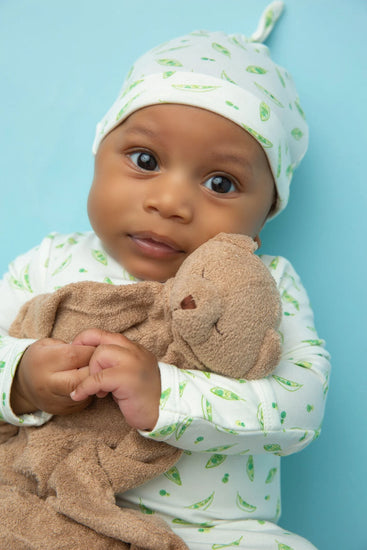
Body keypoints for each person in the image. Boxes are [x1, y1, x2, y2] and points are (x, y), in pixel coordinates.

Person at [0, 2, 330, 549]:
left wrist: (167, 396)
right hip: (45, 505)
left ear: (265, 214)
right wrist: (22, 378)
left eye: (221, 183)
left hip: (214, 531)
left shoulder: (266, 286)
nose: (172, 202)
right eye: (146, 160)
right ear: (98, 153)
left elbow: (301, 406)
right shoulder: (49, 262)